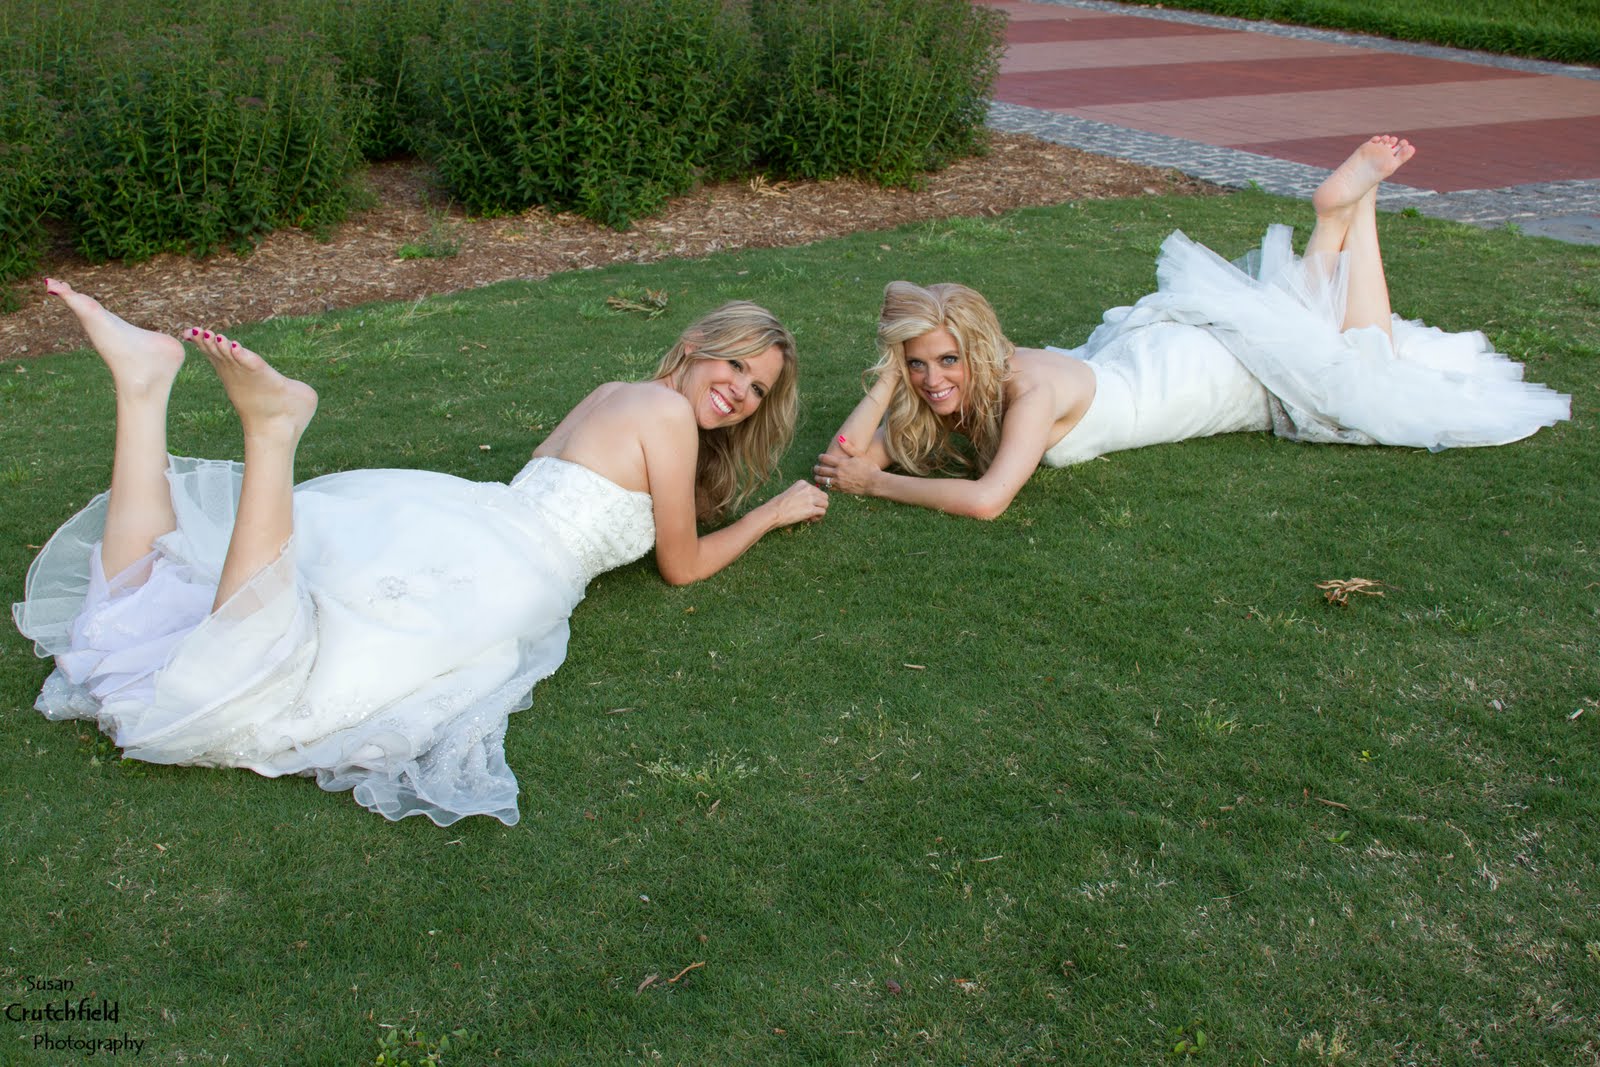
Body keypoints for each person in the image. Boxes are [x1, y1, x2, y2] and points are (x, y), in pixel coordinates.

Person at [13, 284, 828, 825]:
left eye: (758, 389)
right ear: (696, 345)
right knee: (286, 671)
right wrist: (773, 513)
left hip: (468, 512)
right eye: (736, 365)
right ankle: (272, 431)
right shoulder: (670, 417)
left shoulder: (617, 392)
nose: (741, 392)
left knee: (221, 592)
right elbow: (681, 564)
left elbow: (546, 472)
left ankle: (144, 385)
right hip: (510, 567)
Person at [813, 136, 1571, 519]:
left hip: (1198, 376)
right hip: (1145, 358)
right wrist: (886, 382)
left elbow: (987, 500)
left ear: (975, 349)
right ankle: (1338, 216)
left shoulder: (1027, 391)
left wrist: (874, 484)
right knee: (1300, 329)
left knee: (1362, 371)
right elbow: (844, 455)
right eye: (918, 365)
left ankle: (1358, 210)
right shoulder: (958, 383)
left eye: (944, 361)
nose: (932, 380)